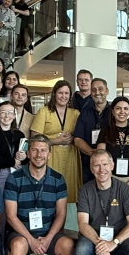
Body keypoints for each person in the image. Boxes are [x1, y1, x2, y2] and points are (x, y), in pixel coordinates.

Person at [3, 135, 74, 255]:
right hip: (22, 232)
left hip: (49, 231)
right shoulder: (14, 178)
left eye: (43, 150)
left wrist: (49, 238)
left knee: (68, 244)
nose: (38, 154)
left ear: (49, 154)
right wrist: (31, 240)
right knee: (17, 246)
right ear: (27, 153)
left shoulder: (58, 179)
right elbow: (11, 215)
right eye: (34, 150)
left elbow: (61, 214)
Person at [96, 96, 129, 231]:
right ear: (112, 111)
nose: (122, 112)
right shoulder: (106, 130)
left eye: (125, 109)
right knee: (111, 214)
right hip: (110, 179)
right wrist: (110, 180)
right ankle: (112, 244)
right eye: (118, 108)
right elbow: (101, 156)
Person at [30, 80, 81, 208]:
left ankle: (69, 226)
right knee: (50, 188)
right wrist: (57, 141)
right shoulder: (44, 111)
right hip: (50, 157)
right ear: (54, 94)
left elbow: (81, 135)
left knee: (70, 191)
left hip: (70, 157)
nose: (63, 96)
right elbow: (34, 136)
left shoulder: (75, 113)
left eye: (66, 93)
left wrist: (73, 138)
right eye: (60, 93)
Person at [73, 77, 111, 184]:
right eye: (94, 90)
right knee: (88, 195)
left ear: (107, 91)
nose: (97, 92)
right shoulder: (84, 113)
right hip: (88, 164)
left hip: (109, 165)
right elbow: (77, 139)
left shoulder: (114, 112)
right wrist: (93, 154)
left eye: (100, 89)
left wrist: (103, 158)